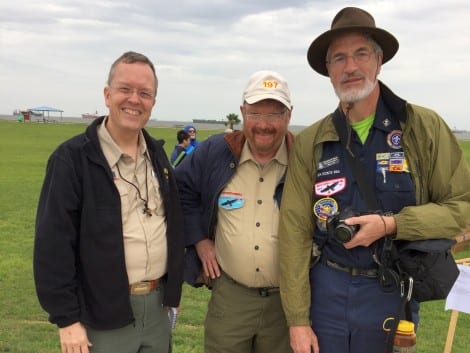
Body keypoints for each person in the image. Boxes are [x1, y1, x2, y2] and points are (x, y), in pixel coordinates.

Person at [278, 7, 470, 353]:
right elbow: (293, 234)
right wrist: (297, 320)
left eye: (361, 53)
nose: (350, 66)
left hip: (392, 293)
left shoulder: (422, 127)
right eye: (339, 58)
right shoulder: (311, 141)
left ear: (379, 62)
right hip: (327, 293)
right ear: (328, 70)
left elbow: (461, 208)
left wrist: (391, 224)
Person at [33, 51, 185, 353]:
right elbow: (53, 245)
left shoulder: (157, 154)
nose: (134, 99)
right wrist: (67, 320)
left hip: (157, 308)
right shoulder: (72, 159)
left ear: (153, 102)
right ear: (107, 94)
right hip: (103, 315)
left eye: (145, 93)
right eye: (125, 89)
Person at [175, 70, 295, 353]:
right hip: (231, 296)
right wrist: (199, 241)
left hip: (287, 304)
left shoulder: (305, 159)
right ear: (242, 113)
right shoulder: (216, 151)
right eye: (255, 114)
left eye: (275, 114)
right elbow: (180, 192)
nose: (264, 124)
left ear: (289, 116)